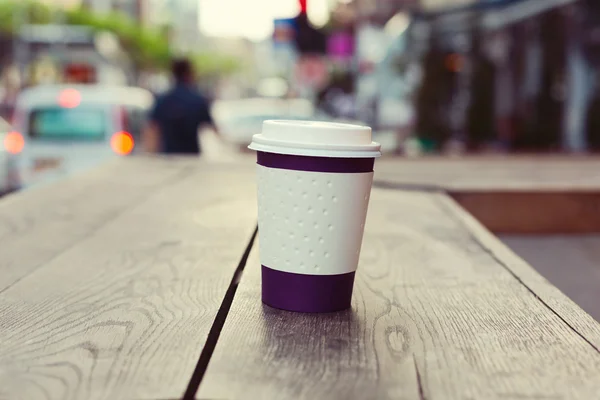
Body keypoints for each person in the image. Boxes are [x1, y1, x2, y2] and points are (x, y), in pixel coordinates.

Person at [144, 58, 217, 154]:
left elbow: (152, 129)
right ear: (189, 73)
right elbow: (213, 128)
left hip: (167, 157)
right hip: (192, 156)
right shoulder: (197, 100)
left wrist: (150, 153)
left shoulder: (163, 100)